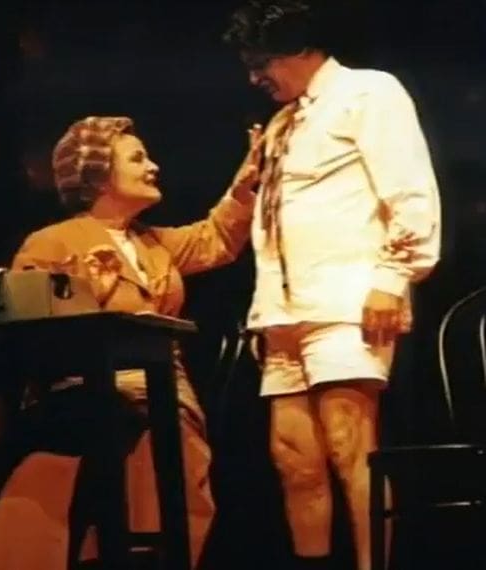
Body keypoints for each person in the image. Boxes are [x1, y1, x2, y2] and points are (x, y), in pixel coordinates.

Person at [0, 115, 262, 569]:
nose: (153, 167)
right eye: (138, 158)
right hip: (81, 394)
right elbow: (27, 327)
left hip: (162, 393)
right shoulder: (52, 242)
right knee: (64, 482)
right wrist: (93, 295)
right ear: (100, 175)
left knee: (171, 461)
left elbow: (217, 237)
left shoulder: (154, 244)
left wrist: (243, 186)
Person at [222, 2, 441, 569]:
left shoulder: (369, 92)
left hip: (348, 300)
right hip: (282, 311)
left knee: (351, 445)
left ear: (298, 48)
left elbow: (410, 190)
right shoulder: (283, 122)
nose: (254, 77)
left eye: (261, 63)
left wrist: (392, 277)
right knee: (293, 459)